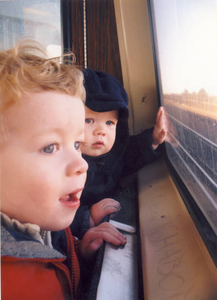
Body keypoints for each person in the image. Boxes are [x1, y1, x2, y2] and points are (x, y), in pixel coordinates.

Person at [0, 40, 126, 300]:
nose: (82, 164)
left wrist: (79, 254)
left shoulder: (44, 223)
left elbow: (54, 264)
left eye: (77, 144)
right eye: (50, 148)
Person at [71, 68, 168, 238]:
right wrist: (87, 218)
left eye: (109, 122)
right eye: (89, 120)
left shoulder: (114, 155)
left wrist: (153, 139)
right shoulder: (66, 165)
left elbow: (131, 152)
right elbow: (49, 213)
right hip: (74, 237)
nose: (101, 131)